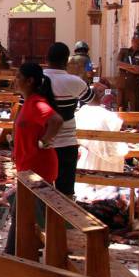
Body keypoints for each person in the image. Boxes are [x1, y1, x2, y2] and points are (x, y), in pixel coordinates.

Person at [5, 62, 63, 253]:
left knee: (21, 213)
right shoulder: (28, 102)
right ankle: (34, 247)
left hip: (37, 167)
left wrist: (43, 142)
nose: (15, 81)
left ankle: (11, 256)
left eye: (19, 77)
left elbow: (56, 120)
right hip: (27, 166)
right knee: (26, 212)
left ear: (29, 81)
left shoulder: (38, 103)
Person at [45, 42, 95, 197]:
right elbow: (93, 100)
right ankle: (61, 221)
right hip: (67, 144)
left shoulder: (35, 81)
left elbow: (20, 114)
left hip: (41, 144)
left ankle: (40, 220)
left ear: (46, 59)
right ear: (67, 60)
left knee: (40, 190)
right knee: (65, 192)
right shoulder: (75, 81)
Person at [75, 87, 126, 172]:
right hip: (100, 151)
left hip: (91, 152)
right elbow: (117, 126)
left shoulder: (81, 113)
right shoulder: (108, 115)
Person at [117, 29, 139, 111]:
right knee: (120, 110)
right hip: (122, 86)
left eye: (136, 37)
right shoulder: (124, 51)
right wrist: (133, 67)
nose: (133, 38)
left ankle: (134, 124)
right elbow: (118, 64)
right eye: (133, 36)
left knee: (135, 110)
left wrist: (125, 67)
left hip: (134, 88)